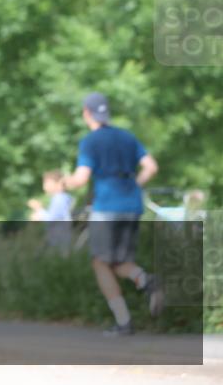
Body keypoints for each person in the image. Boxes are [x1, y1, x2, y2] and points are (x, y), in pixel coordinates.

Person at [60, 92, 164, 337]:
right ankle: (145, 280)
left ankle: (124, 321)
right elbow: (151, 167)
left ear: (86, 113)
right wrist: (135, 185)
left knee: (100, 262)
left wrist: (64, 183)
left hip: (107, 206)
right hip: (132, 205)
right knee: (118, 263)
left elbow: (81, 178)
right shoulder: (127, 136)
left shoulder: (90, 141)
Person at [27, 170, 74, 252]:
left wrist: (39, 209)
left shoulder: (59, 198)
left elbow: (51, 219)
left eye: (47, 183)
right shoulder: (61, 198)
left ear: (59, 183)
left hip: (59, 239)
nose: (44, 186)